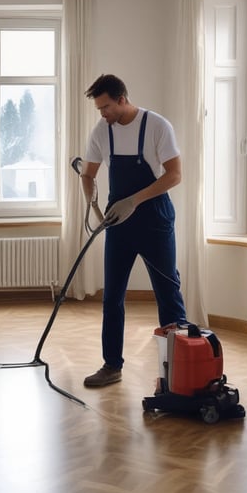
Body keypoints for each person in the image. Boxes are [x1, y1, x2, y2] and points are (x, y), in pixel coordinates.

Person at [80, 74, 188, 387]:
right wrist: (96, 209)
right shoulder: (102, 131)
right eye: (99, 109)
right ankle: (111, 365)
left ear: (122, 99)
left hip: (154, 219)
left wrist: (134, 200)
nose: (103, 114)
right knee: (112, 296)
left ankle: (177, 369)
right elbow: (87, 174)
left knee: (167, 293)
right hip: (118, 223)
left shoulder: (157, 126)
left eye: (106, 107)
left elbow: (175, 175)